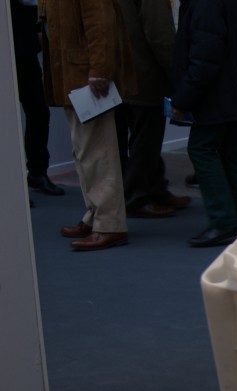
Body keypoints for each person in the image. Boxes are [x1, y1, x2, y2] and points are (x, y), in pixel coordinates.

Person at [39, 0, 137, 251]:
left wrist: (100, 69)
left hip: (85, 78)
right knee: (85, 151)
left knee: (98, 152)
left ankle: (109, 224)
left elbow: (101, 22)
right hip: (74, 76)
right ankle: (96, 215)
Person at [170, 0, 237, 247]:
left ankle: (223, 220)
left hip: (217, 95)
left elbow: (205, 58)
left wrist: (183, 98)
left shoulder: (205, 4)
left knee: (202, 148)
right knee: (232, 152)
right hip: (233, 92)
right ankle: (236, 219)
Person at [116, 0, 191, 219]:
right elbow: (159, 34)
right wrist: (177, 72)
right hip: (144, 72)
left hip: (126, 71)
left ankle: (155, 190)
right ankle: (136, 197)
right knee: (145, 139)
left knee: (143, 138)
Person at [11, 0, 65, 197]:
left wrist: (37, 28)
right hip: (13, 44)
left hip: (24, 46)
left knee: (39, 112)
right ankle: (13, 182)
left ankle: (37, 172)